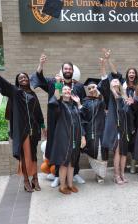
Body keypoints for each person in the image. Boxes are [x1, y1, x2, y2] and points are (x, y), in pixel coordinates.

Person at [0, 68, 46, 192]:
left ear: (28, 79)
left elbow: (38, 111)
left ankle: (35, 179)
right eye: (20, 78)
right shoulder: (16, 92)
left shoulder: (33, 94)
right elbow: (6, 85)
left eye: (25, 77)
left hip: (33, 128)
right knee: (25, 155)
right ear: (18, 81)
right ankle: (26, 180)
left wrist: (43, 126)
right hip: (22, 130)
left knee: (33, 155)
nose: (23, 79)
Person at [31, 54, 86, 188]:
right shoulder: (53, 82)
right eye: (65, 69)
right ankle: (57, 175)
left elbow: (82, 104)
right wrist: (41, 64)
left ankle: (74, 173)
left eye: (70, 69)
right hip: (56, 122)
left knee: (74, 147)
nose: (68, 71)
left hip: (73, 122)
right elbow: (39, 78)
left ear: (73, 71)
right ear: (62, 70)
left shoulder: (78, 86)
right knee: (57, 149)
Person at [98, 54, 132, 185]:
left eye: (117, 81)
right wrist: (104, 63)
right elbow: (105, 77)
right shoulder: (109, 95)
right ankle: (116, 175)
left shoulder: (124, 97)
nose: (116, 81)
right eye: (114, 81)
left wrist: (129, 104)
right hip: (114, 128)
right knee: (118, 151)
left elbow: (126, 113)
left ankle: (122, 174)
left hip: (123, 128)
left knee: (124, 152)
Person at [49, 84, 86, 194]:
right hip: (64, 138)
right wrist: (57, 86)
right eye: (64, 89)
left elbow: (82, 119)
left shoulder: (74, 106)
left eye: (69, 89)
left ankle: (70, 184)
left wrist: (79, 103)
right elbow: (53, 102)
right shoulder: (59, 104)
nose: (67, 91)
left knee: (72, 162)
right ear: (61, 91)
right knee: (64, 162)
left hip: (75, 138)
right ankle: (62, 186)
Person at [80, 60, 107, 183]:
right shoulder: (85, 101)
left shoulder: (102, 99)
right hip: (90, 131)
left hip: (102, 130)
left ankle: (100, 174)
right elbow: (83, 117)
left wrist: (102, 66)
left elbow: (104, 102)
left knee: (102, 152)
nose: (91, 89)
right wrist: (79, 105)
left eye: (93, 87)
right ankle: (98, 172)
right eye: (89, 88)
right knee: (93, 152)